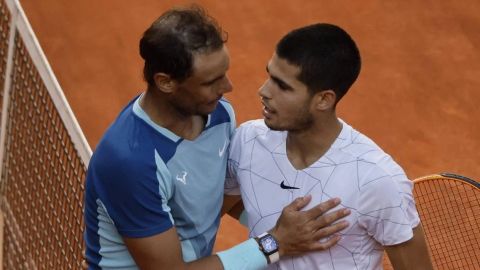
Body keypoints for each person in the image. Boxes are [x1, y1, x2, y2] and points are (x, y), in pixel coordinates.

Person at [83, 6, 351, 270]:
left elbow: (215, 201)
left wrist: (306, 228)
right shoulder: (130, 162)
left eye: (224, 73)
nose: (227, 87)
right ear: (166, 82)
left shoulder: (218, 115)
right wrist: (276, 241)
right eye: (211, 81)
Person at [225, 23, 433, 269]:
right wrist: (282, 236)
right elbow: (215, 211)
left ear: (324, 99)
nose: (264, 91)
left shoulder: (376, 180)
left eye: (283, 86)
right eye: (270, 75)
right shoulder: (248, 141)